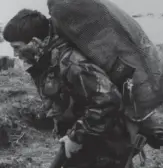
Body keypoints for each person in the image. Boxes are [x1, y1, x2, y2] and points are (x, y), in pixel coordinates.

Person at [3, 10, 134, 168]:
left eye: (17, 47)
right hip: (86, 145)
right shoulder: (49, 60)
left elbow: (109, 99)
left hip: (105, 148)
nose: (15, 54)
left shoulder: (72, 63)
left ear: (35, 42)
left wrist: (76, 136)